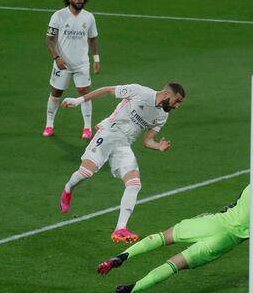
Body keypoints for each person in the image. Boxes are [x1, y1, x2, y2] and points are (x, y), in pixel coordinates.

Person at [95, 105, 253, 293]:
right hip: (226, 240)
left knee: (163, 237)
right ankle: (132, 289)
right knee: (174, 264)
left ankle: (121, 257)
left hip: (217, 222)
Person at [59, 82, 185, 243]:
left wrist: (158, 146)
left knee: (134, 184)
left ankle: (120, 229)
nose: (177, 106)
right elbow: (107, 90)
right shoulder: (140, 92)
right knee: (85, 173)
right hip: (108, 133)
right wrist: (79, 100)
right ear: (167, 95)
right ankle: (68, 188)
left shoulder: (162, 115)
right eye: (177, 101)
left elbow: (147, 141)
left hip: (124, 146)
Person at [43, 0, 100, 139]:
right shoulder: (59, 16)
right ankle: (49, 124)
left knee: (85, 94)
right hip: (62, 64)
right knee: (56, 93)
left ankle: (87, 128)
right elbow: (49, 39)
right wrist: (57, 57)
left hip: (82, 64)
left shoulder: (89, 17)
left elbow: (93, 38)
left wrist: (96, 58)